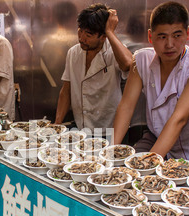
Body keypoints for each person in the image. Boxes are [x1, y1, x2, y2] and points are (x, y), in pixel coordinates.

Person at [112, 1, 189, 169]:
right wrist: (110, 151)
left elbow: (179, 119)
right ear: (150, 36)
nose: (169, 44)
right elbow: (126, 106)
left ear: (188, 33)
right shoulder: (141, 60)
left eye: (177, 35)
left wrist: (147, 165)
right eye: (162, 36)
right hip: (156, 138)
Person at [54, 3, 133, 133]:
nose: (81, 38)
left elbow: (128, 64)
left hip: (109, 129)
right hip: (82, 128)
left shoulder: (113, 52)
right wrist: (57, 123)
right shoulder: (73, 53)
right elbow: (66, 90)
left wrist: (110, 32)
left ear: (103, 37)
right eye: (80, 30)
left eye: (89, 35)